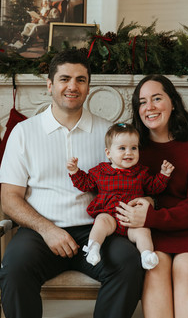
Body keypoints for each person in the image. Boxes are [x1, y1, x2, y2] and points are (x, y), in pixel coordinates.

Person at [0, 49, 144, 318]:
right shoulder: (24, 132)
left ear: (88, 86)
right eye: (65, 78)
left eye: (81, 79)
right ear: (50, 84)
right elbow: (9, 197)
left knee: (129, 264)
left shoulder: (109, 134)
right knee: (14, 268)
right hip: (39, 232)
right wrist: (47, 229)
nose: (72, 86)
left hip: (99, 229)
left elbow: (134, 180)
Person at [115, 74, 188, 318]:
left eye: (157, 98)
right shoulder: (132, 150)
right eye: (142, 102)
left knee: (186, 267)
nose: (150, 107)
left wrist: (150, 216)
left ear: (173, 102)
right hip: (154, 235)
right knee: (155, 266)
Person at [67, 122, 174, 269]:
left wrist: (163, 175)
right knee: (101, 221)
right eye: (122, 148)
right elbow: (85, 184)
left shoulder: (141, 172)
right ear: (109, 153)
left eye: (134, 148)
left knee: (143, 231)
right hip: (109, 215)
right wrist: (75, 171)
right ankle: (93, 248)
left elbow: (153, 187)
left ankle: (146, 255)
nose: (129, 152)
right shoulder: (100, 171)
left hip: (132, 220)